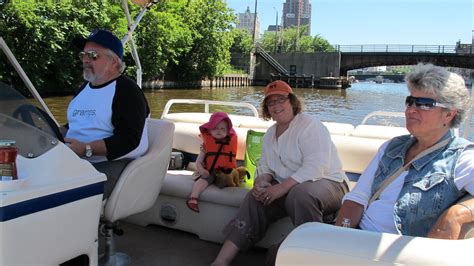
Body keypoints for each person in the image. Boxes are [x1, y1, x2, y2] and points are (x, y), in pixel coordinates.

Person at [212, 80, 349, 266]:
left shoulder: (310, 126)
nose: (276, 105)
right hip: (290, 189)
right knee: (255, 197)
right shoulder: (270, 134)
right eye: (270, 102)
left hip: (330, 183)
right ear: (267, 109)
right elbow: (265, 165)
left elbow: (317, 166)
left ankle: (311, 254)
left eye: (281, 99)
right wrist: (261, 182)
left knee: (300, 194)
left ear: (292, 101)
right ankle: (221, 260)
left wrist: (279, 189)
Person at [336, 63, 474, 239]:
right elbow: (358, 197)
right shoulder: (391, 147)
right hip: (359, 239)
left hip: (399, 251)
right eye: (410, 101)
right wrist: (340, 236)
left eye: (425, 104)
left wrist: (458, 213)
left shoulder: (462, 158)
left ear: (449, 114)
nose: (411, 110)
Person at [63, 29, 150, 199]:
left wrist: (86, 149)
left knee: (62, 197)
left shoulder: (127, 92)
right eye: (84, 54)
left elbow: (128, 140)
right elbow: (74, 124)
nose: (86, 60)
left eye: (93, 55)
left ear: (114, 62)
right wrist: (50, 133)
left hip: (114, 163)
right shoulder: (84, 89)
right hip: (76, 160)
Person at [186, 112, 238, 213]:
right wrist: (201, 170)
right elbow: (198, 162)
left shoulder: (230, 143)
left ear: (228, 132)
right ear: (209, 130)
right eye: (215, 128)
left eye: (222, 128)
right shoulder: (206, 146)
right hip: (210, 172)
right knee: (203, 180)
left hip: (226, 172)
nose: (218, 130)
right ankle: (193, 198)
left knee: (228, 177)